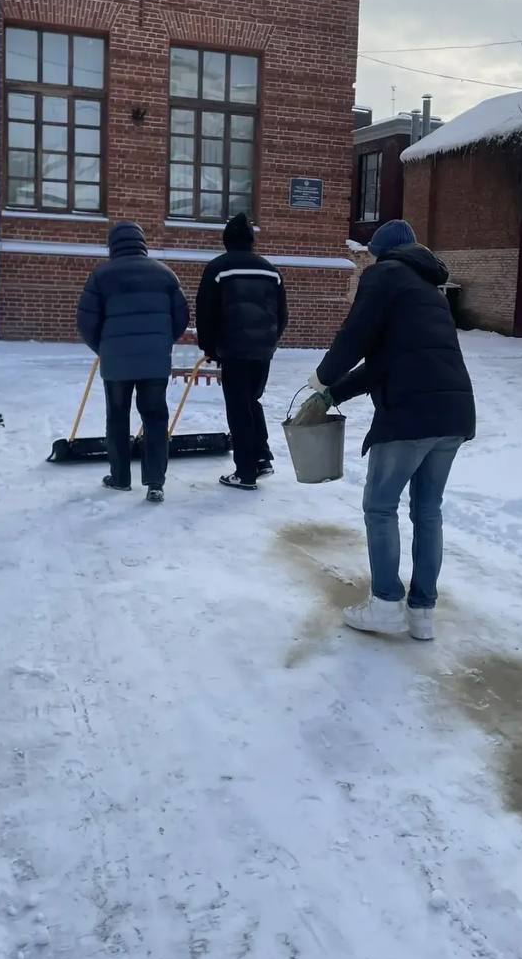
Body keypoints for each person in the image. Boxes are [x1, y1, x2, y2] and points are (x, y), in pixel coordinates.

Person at [306, 219, 475, 640]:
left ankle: (385, 604)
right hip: (453, 413)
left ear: (379, 253)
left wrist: (324, 377)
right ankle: (422, 613)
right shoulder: (429, 290)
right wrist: (333, 394)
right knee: (428, 511)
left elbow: (355, 335)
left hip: (409, 413)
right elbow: (383, 363)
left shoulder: (385, 276)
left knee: (380, 507)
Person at [76, 222, 189, 504]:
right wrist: (162, 343)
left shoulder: (101, 276)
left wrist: (104, 349)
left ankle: (120, 478)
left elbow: (86, 321)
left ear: (113, 245)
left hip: (116, 363)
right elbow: (181, 317)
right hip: (155, 362)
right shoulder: (165, 274)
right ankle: (155, 483)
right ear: (142, 243)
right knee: (155, 417)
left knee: (117, 417)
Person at [196, 212, 288, 491]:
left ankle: (245, 472)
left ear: (226, 240)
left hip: (233, 349)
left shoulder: (218, 268)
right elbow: (282, 313)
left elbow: (206, 312)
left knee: (238, 407)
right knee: (252, 401)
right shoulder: (270, 270)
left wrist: (209, 347)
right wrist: (270, 340)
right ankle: (261, 458)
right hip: (262, 350)